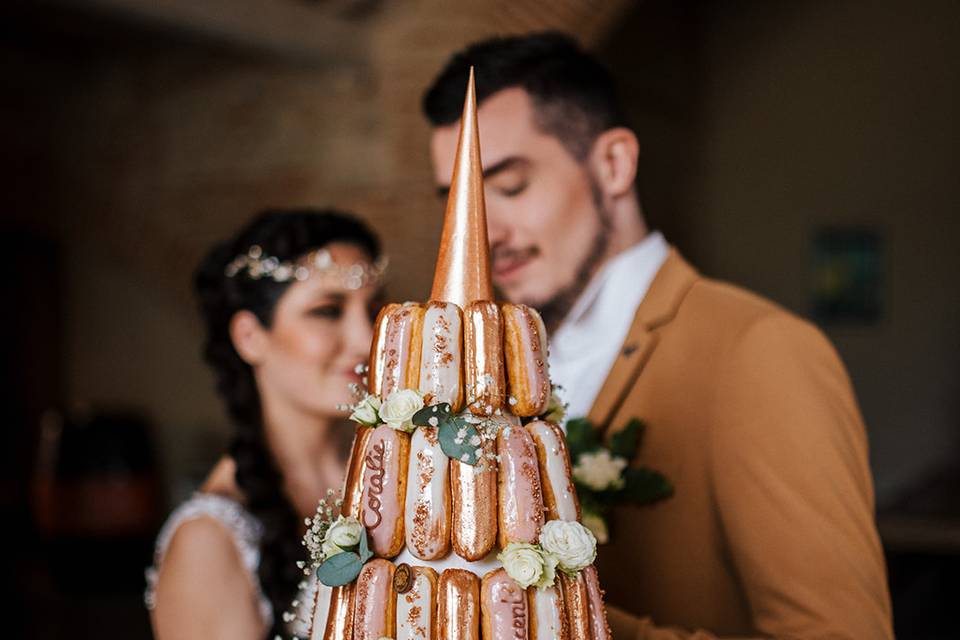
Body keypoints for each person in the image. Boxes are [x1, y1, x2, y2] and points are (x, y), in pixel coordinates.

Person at [423, 33, 893, 639]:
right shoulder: (488, 372)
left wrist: (554, 620)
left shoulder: (760, 351)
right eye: (461, 203)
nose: (484, 234)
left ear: (613, 164)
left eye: (510, 187)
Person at [145, 209, 385, 639]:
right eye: (328, 311)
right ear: (250, 337)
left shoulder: (398, 478)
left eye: (374, 309)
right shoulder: (210, 541)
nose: (367, 339)